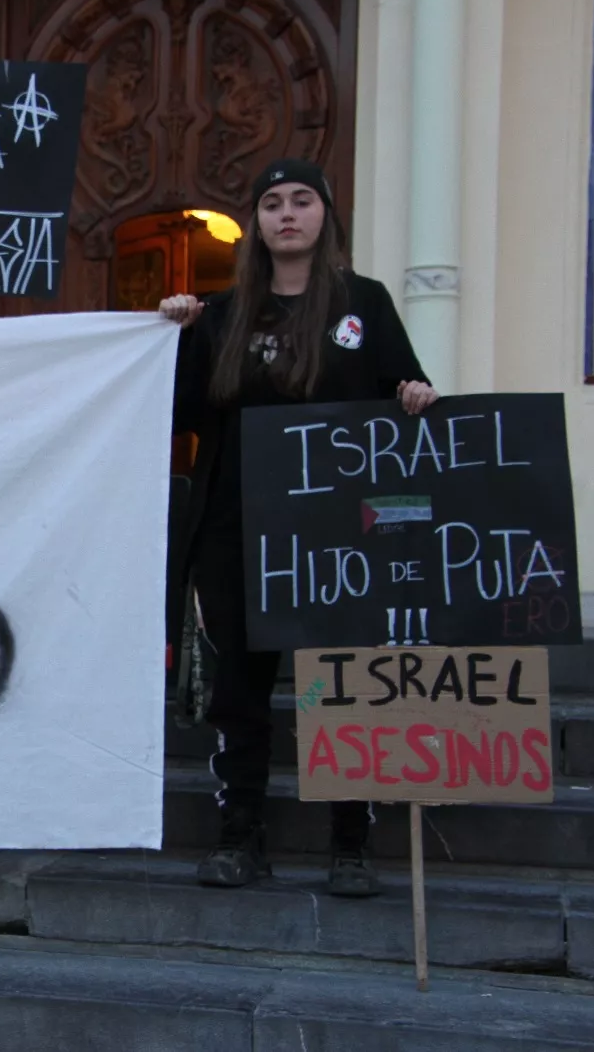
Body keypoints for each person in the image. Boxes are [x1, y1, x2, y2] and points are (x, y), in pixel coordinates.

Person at [159, 158, 439, 896]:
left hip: (337, 538)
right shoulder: (222, 314)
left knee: (342, 683)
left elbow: (402, 394)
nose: (288, 214)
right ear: (256, 222)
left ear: (325, 215)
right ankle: (239, 835)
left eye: (302, 200)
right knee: (240, 690)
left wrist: (415, 394)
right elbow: (180, 412)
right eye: (273, 203)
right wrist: (174, 337)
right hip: (236, 529)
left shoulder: (365, 305)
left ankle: (350, 842)